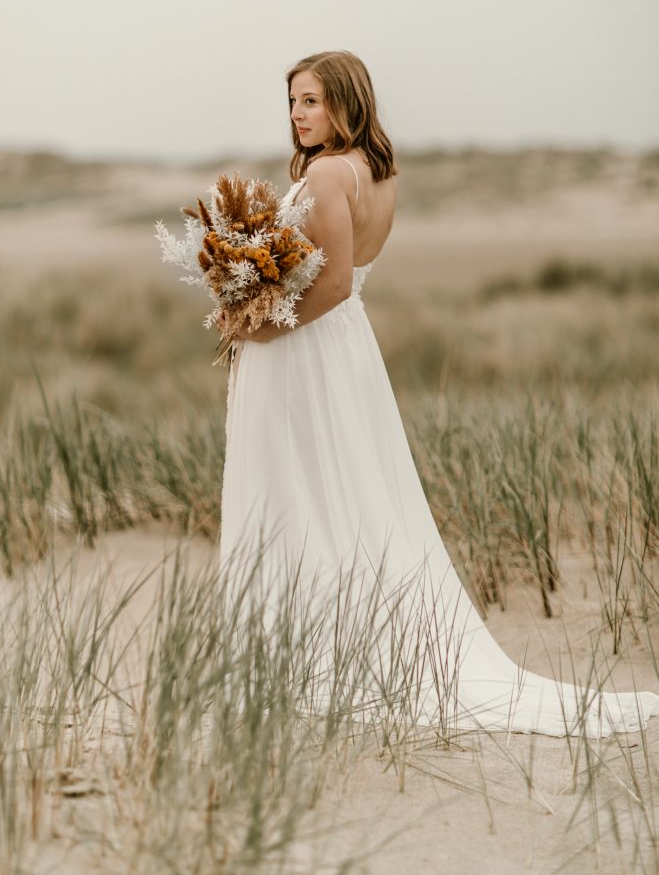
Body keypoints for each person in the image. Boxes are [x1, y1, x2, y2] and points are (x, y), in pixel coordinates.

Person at [217, 49, 659, 737]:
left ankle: (302, 649)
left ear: (345, 101)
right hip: (344, 349)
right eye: (293, 102)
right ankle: (317, 638)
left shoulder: (328, 173)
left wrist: (256, 325)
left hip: (306, 347)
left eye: (311, 100)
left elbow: (333, 284)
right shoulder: (376, 170)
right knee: (343, 485)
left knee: (296, 485)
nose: (298, 114)